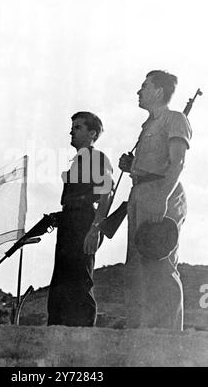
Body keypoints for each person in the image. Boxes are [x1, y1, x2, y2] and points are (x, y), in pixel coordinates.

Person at [119, 70, 192, 330]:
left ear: (159, 91)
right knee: (137, 266)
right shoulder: (149, 125)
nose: (139, 91)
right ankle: (141, 332)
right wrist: (132, 167)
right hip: (141, 191)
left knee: (159, 263)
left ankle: (167, 338)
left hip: (162, 191)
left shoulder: (175, 118)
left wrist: (162, 197)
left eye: (144, 86)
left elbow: (178, 161)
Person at [47, 111, 113, 326]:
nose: (71, 132)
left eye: (77, 127)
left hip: (84, 222)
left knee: (79, 281)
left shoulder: (97, 158)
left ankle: (82, 336)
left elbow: (106, 195)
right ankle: (57, 330)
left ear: (92, 133)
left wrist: (95, 229)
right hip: (69, 222)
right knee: (61, 281)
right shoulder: (79, 161)